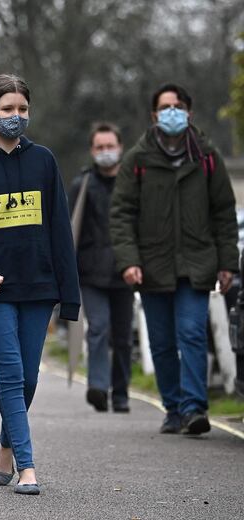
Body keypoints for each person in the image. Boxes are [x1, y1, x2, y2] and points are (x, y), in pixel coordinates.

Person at [0, 74, 80, 495]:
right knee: (10, 372)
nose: (16, 116)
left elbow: (59, 228)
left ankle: (6, 443)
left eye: (22, 109)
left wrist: (70, 296)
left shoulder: (43, 161)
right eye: (7, 109)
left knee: (29, 379)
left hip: (40, 287)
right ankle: (28, 466)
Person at [109, 83, 238, 435]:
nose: (172, 111)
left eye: (178, 105)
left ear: (189, 112)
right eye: (165, 106)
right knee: (162, 341)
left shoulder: (207, 157)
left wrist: (228, 263)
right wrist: (129, 261)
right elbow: (121, 213)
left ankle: (194, 408)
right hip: (152, 265)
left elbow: (225, 213)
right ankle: (173, 407)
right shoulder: (138, 160)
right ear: (154, 115)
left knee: (192, 332)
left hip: (197, 262)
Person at [69, 122, 134, 413]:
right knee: (98, 327)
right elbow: (71, 227)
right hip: (91, 272)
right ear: (92, 150)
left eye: (110, 146)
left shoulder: (134, 183)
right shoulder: (81, 185)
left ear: (120, 148)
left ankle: (120, 393)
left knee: (122, 336)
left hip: (126, 270)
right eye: (100, 147)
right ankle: (97, 386)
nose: (106, 152)